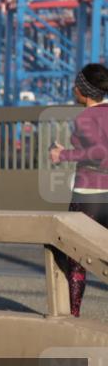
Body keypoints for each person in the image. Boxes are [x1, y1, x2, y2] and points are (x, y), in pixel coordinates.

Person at [50, 63, 108, 317]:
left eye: (77, 85)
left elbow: (100, 152)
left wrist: (63, 155)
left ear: (84, 91)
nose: (73, 89)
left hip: (88, 197)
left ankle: (73, 317)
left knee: (75, 259)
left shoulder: (85, 118)